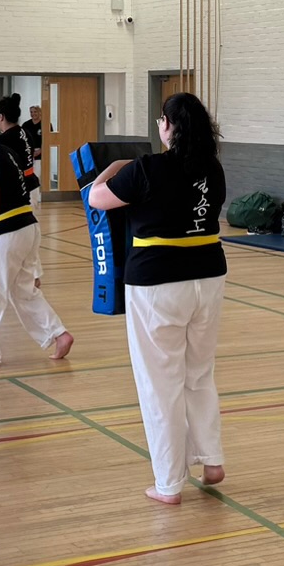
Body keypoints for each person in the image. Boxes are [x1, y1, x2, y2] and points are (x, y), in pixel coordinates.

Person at [86, 92, 227, 506]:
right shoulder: (212, 169)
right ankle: (211, 458)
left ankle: (168, 483)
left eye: (161, 121)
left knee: (159, 382)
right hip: (208, 278)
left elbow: (96, 197)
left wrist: (112, 168)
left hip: (158, 283)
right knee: (198, 372)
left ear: (168, 124)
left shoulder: (147, 168)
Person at [0, 112, 72, 369]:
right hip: (26, 227)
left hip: (3, 231)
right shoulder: (3, 149)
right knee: (23, 291)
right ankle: (58, 334)